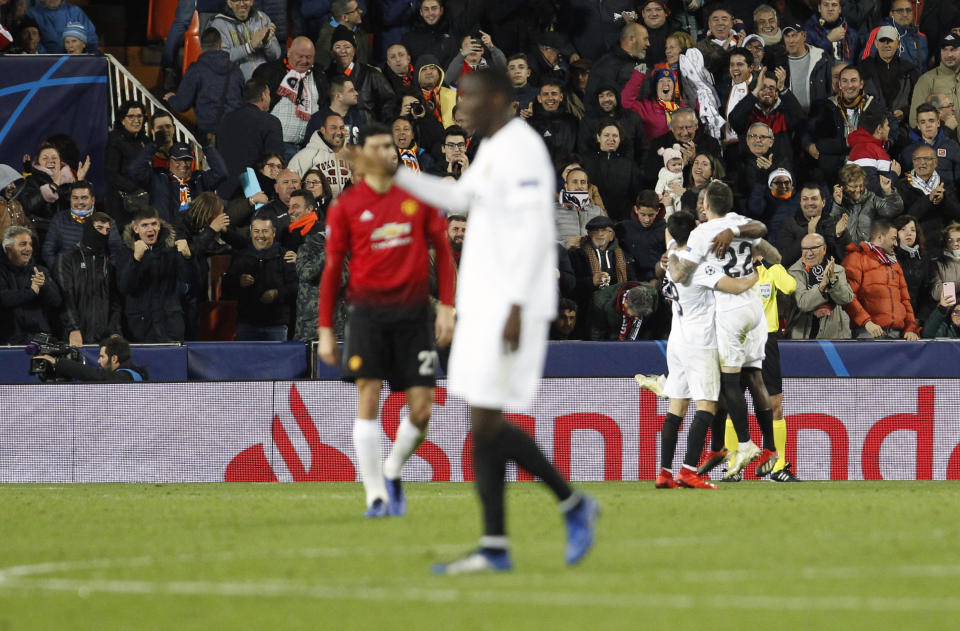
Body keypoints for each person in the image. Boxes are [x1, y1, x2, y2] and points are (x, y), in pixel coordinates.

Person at [382, 69, 599, 573]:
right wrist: (395, 172)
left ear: (499, 98)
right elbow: (458, 198)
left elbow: (530, 231)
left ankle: (560, 510)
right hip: (489, 302)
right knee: (483, 422)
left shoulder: (521, 148)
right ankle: (504, 542)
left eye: (472, 99)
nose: (463, 109)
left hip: (511, 304)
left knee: (485, 420)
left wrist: (518, 308)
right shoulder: (494, 146)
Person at [316, 123, 456, 519]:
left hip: (413, 315)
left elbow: (443, 252)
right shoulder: (345, 206)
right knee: (369, 397)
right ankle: (375, 496)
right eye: (376, 148)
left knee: (423, 409)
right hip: (367, 315)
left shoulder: (416, 196)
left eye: (390, 149)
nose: (385, 155)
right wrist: (325, 328)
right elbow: (331, 269)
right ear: (363, 157)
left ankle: (392, 470)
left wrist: (447, 307)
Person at [669, 180, 782, 480]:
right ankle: (769, 447)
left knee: (726, 381)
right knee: (754, 376)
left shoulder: (701, 232)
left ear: (705, 204)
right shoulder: (741, 222)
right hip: (756, 309)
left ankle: (743, 444)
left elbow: (680, 275)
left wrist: (670, 253)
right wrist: (740, 237)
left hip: (730, 309)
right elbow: (774, 255)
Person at [654, 211, 760, 490]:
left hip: (675, 342)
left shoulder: (671, 257)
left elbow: (669, 237)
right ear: (695, 234)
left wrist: (669, 208)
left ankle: (664, 473)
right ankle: (689, 471)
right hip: (699, 343)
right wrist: (755, 275)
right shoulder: (698, 267)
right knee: (707, 405)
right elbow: (736, 287)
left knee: (677, 406)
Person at [116, 207, 192, 343]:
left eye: (153, 224)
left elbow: (191, 282)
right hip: (140, 328)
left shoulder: (173, 249)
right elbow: (125, 287)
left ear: (159, 225)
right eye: (145, 225)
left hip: (170, 326)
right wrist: (136, 260)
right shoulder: (125, 252)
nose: (150, 229)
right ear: (136, 229)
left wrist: (188, 259)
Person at [842, 218, 920, 340]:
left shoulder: (894, 263)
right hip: (867, 333)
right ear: (879, 237)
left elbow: (905, 300)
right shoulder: (856, 258)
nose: (896, 244)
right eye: (893, 238)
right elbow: (848, 297)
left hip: (897, 334)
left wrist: (910, 328)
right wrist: (866, 322)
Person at [223, 212, 297, 340]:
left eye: (265, 231)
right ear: (251, 233)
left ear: (273, 233)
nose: (260, 235)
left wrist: (277, 293)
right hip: (247, 324)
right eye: (256, 231)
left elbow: (296, 287)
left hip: (276, 325)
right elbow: (226, 286)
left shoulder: (286, 256)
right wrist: (238, 281)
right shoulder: (241, 256)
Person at [164, 28, 245, 142]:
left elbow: (182, 105)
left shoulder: (195, 70)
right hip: (234, 133)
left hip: (208, 135)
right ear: (220, 45)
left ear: (200, 47)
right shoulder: (236, 70)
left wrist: (172, 99)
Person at [252, 36, 327, 156]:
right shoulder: (269, 72)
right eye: (300, 56)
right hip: (278, 147)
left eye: (309, 57)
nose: (304, 61)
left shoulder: (319, 75)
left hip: (310, 147)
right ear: (289, 52)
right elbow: (254, 107)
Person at [215, 78, 285, 198]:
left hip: (225, 189)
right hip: (257, 194)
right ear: (263, 95)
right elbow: (275, 161)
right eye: (269, 94)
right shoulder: (270, 122)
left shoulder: (225, 119)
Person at [127, 142, 228, 224]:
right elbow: (134, 170)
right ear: (169, 161)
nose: (183, 164)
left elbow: (221, 173)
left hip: (195, 235)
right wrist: (153, 145)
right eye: (178, 160)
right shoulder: (158, 177)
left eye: (187, 160)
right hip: (167, 235)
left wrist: (207, 147)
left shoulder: (199, 178)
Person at [786, 232, 854, 339]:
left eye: (814, 248)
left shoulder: (837, 270)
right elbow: (804, 303)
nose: (809, 253)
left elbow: (846, 299)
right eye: (805, 249)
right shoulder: (794, 272)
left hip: (834, 331)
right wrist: (822, 286)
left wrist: (832, 281)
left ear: (824, 249)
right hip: (804, 332)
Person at [0, 225, 61, 344]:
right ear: (8, 249)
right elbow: (4, 298)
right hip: (8, 340)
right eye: (23, 244)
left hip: (39, 338)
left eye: (30, 244)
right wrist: (31, 292)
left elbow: (56, 301)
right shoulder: (1, 271)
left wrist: (44, 285)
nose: (28, 248)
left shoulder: (40, 270)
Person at [326, 26, 397, 123]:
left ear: (354, 51)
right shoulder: (325, 77)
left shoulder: (371, 74)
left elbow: (390, 100)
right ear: (332, 52)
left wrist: (379, 126)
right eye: (338, 47)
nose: (343, 51)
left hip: (367, 132)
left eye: (347, 47)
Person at [41, 180, 120, 267]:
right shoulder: (59, 219)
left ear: (93, 200)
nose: (79, 202)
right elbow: (48, 251)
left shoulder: (108, 222)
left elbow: (117, 252)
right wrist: (60, 272)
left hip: (96, 276)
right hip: (65, 275)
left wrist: (105, 274)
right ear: (70, 199)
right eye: (75, 198)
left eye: (84, 198)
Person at [895, 144, 960, 241]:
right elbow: (905, 218)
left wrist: (944, 199)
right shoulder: (903, 185)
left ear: (936, 162)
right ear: (913, 162)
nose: (922, 163)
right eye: (917, 159)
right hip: (917, 241)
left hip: (943, 240)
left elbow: (957, 213)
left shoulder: (946, 184)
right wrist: (929, 199)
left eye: (927, 158)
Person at [858, 25, 919, 125]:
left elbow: (916, 100)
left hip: (901, 127)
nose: (886, 44)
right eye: (882, 40)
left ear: (898, 44)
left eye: (890, 41)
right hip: (872, 126)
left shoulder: (909, 69)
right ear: (876, 43)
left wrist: (904, 112)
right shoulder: (864, 67)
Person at [777, 183, 849, 267]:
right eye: (805, 199)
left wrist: (839, 236)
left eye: (814, 199)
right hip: (799, 277)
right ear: (800, 202)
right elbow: (784, 260)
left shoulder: (835, 223)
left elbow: (846, 260)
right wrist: (808, 234)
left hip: (830, 276)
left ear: (823, 202)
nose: (809, 203)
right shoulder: (789, 224)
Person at [582, 122, 642, 222]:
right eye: (606, 135)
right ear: (598, 137)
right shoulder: (585, 161)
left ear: (620, 139)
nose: (611, 139)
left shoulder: (629, 165)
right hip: (590, 219)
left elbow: (635, 196)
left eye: (615, 136)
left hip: (621, 220)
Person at [584, 23, 649, 110]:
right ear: (632, 39)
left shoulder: (641, 63)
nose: (648, 44)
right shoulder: (606, 65)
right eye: (645, 39)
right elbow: (594, 102)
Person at [209, 0, 281, 80]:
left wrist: (267, 43)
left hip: (265, 81)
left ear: (252, 1)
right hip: (237, 83)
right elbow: (220, 60)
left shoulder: (262, 18)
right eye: (236, 0)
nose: (242, 4)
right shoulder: (219, 24)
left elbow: (276, 56)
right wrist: (249, 46)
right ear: (229, 3)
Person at [104, 101, 150, 221]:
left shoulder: (145, 141)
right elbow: (111, 174)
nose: (136, 120)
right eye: (131, 116)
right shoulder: (115, 141)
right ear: (122, 120)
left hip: (143, 200)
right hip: (122, 203)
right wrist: (136, 190)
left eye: (139, 116)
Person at [37, 335, 147, 382]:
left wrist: (57, 362)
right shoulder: (134, 374)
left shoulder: (125, 377)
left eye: (102, 357)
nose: (98, 361)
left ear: (114, 359)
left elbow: (95, 375)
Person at [290, 114, 352, 197]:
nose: (339, 132)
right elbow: (290, 185)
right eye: (333, 128)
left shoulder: (353, 155)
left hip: (351, 207)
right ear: (323, 130)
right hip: (317, 208)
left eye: (341, 128)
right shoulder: (304, 156)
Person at [860, 0, 928, 72]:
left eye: (908, 10)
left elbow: (924, 68)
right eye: (900, 11)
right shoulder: (879, 33)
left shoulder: (921, 37)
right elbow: (865, 64)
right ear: (891, 13)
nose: (905, 14)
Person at [899, 104, 960, 184]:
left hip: (948, 194)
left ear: (938, 123)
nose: (928, 125)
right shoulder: (908, 152)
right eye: (923, 122)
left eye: (931, 121)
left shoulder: (953, 147)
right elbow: (906, 183)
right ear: (918, 126)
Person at [908, 34, 960, 127]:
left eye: (953, 49)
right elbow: (915, 121)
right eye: (944, 49)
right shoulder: (926, 80)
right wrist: (943, 132)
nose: (949, 54)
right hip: (943, 140)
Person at [845, 109, 900, 194]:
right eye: (887, 125)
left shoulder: (871, 147)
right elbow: (870, 189)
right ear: (879, 129)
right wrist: (894, 174)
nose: (889, 128)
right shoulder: (864, 150)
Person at [783, 23, 833, 114]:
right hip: (791, 120)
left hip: (818, 118)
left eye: (794, 35)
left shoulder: (821, 58)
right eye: (787, 36)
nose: (791, 41)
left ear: (804, 36)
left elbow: (831, 89)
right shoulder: (779, 63)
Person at [892, 214, 933, 320]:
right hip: (893, 316)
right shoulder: (889, 258)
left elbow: (926, 294)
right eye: (903, 229)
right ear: (895, 234)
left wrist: (919, 318)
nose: (909, 233)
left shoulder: (923, 259)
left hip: (914, 317)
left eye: (913, 230)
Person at [554, 167, 605, 247]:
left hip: (591, 257)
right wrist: (565, 245)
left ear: (587, 186)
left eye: (583, 182)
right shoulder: (552, 210)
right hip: (564, 257)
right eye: (574, 182)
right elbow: (541, 240)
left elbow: (607, 239)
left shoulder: (597, 211)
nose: (579, 186)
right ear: (566, 185)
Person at [315, 0, 369, 70]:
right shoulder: (327, 40)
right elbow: (324, 72)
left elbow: (365, 62)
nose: (361, 11)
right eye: (356, 10)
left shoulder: (360, 33)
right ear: (345, 17)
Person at [27, 0, 97, 54]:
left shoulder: (75, 11)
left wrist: (89, 57)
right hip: (47, 62)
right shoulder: (32, 14)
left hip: (76, 60)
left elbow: (91, 38)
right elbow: (32, 43)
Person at [0, 164, 35, 240]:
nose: (14, 186)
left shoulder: (17, 205)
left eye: (14, 183)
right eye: (9, 183)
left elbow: (28, 227)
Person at [930, 222, 960, 304]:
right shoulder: (937, 263)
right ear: (946, 243)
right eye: (950, 240)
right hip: (948, 311)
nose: (955, 244)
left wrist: (949, 286)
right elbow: (936, 293)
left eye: (959, 240)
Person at [654, 144, 684, 213]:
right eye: (674, 165)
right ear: (667, 165)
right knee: (668, 209)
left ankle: (679, 215)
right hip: (669, 194)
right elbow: (660, 184)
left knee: (680, 205)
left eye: (679, 164)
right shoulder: (665, 174)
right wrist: (658, 193)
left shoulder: (680, 172)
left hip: (678, 195)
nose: (677, 167)